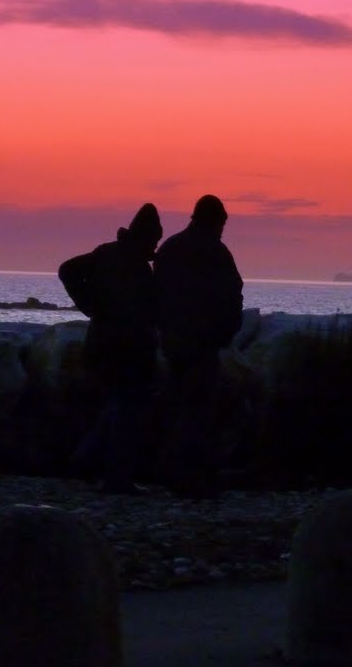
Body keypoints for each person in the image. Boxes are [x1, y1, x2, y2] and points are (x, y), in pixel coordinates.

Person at [57, 203, 163, 494]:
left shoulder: (109, 255)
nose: (155, 245)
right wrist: (89, 305)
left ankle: (84, 460)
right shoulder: (133, 266)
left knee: (120, 405)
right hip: (126, 349)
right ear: (146, 237)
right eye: (154, 240)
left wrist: (90, 305)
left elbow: (67, 270)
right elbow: (67, 270)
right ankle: (116, 478)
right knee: (128, 410)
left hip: (104, 345)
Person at [154, 194, 243, 498]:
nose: (223, 229)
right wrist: (226, 333)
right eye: (222, 223)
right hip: (202, 345)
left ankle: (170, 472)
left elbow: (156, 296)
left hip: (174, 342)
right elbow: (233, 295)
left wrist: (164, 330)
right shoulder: (216, 252)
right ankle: (193, 476)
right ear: (214, 221)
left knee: (175, 406)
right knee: (199, 411)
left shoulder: (170, 249)